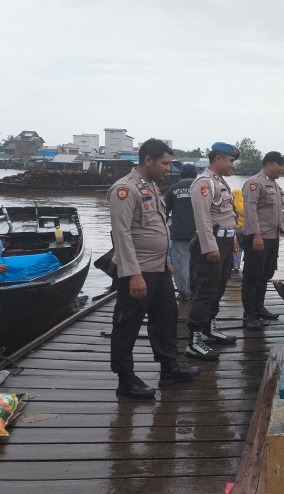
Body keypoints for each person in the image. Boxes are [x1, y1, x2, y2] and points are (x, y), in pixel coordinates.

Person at [107, 138, 200, 399]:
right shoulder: (124, 189)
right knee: (127, 325)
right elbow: (121, 234)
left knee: (166, 318)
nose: (169, 168)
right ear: (148, 160)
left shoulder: (150, 186)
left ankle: (169, 368)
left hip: (159, 268)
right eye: (165, 163)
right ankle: (125, 380)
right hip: (138, 271)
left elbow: (156, 226)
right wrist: (133, 274)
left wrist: (167, 259)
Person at [186, 142, 240, 360]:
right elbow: (203, 218)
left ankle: (208, 329)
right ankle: (194, 340)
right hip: (212, 244)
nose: (233, 166)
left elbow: (227, 214)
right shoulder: (204, 183)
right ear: (218, 159)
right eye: (230, 161)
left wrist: (233, 237)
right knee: (206, 291)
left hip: (225, 243)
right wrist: (210, 247)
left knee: (217, 289)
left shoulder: (220, 182)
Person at [241, 151, 284, 330]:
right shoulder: (255, 183)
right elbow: (250, 211)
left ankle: (259, 308)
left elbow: (278, 212)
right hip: (258, 238)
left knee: (265, 275)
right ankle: (249, 316)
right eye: (280, 165)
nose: (282, 169)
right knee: (252, 276)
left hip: (272, 238)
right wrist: (255, 234)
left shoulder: (274, 185)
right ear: (269, 164)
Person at [165, 163, 197, 300]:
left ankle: (184, 293)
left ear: (181, 174)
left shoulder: (173, 189)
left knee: (180, 264)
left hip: (179, 233)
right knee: (198, 263)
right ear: (196, 174)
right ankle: (197, 291)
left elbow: (164, 213)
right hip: (199, 233)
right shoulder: (201, 188)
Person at [232, 188, 244, 271]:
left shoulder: (231, 204)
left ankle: (234, 264)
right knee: (241, 248)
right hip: (243, 229)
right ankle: (238, 265)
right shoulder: (243, 204)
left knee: (234, 248)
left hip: (234, 230)